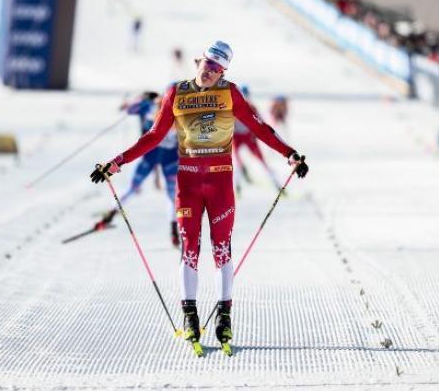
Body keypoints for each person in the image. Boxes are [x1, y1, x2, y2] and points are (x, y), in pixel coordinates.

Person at [90, 41, 308, 349]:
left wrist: (290, 154)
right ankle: (190, 316)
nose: (210, 74)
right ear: (199, 63)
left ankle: (224, 317)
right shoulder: (176, 93)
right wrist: (117, 162)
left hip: (220, 185)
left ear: (224, 71)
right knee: (189, 249)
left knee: (222, 251)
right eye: (207, 67)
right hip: (188, 184)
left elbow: (260, 128)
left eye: (217, 70)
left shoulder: (230, 93)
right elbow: (153, 136)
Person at [102, 91, 180, 246]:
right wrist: (134, 102)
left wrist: (134, 103)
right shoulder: (149, 106)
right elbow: (128, 109)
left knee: (171, 194)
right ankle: (109, 216)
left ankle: (174, 231)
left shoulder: (171, 110)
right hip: (152, 156)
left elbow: (128, 109)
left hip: (164, 158)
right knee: (134, 187)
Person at [232, 85, 282, 194]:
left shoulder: (252, 107)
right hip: (237, 137)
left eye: (246, 96)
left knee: (262, 161)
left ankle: (278, 186)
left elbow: (260, 122)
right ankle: (237, 188)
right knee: (237, 162)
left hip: (248, 137)